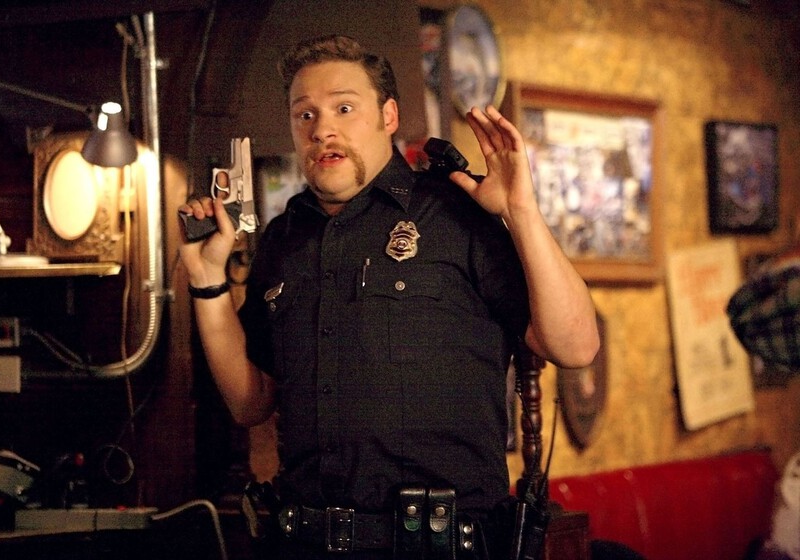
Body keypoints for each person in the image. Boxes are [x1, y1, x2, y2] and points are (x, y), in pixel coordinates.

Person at [179, 35, 599, 560]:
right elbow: (250, 402)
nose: (322, 129)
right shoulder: (284, 236)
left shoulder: (457, 212)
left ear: (389, 115)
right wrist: (207, 280)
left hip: (437, 545)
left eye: (344, 108)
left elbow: (576, 346)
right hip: (303, 542)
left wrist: (521, 211)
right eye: (305, 115)